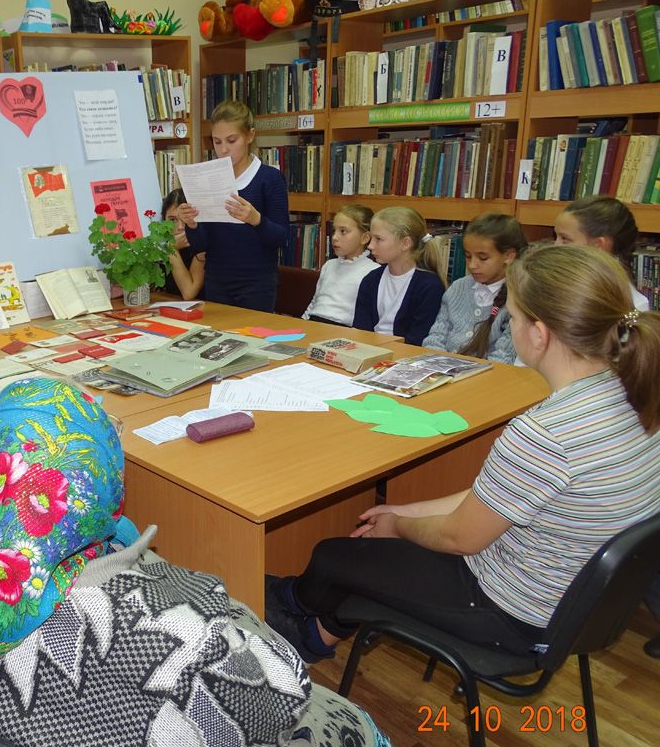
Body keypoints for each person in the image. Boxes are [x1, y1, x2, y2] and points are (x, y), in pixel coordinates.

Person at [0, 377, 400, 747]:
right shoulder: (161, 631)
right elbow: (281, 701)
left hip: (17, 735)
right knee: (346, 725)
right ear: (98, 488)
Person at [266, 246, 660, 664]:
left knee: (334, 554)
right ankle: (314, 630)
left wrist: (398, 525)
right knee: (364, 554)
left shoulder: (545, 434)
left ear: (539, 334)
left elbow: (459, 538)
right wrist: (409, 511)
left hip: (510, 612)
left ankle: (295, 614)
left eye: (514, 317)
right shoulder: (636, 395)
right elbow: (497, 498)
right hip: (575, 598)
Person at [176, 100, 289, 312]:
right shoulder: (208, 177)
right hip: (217, 281)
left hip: (257, 283)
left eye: (231, 140)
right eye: (217, 142)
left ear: (250, 136)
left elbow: (281, 237)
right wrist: (192, 224)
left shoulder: (269, 178)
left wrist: (256, 219)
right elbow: (201, 245)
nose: (224, 149)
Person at [424, 213, 528, 363]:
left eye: (483, 258)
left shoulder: (517, 299)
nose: (472, 265)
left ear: (509, 256)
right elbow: (435, 338)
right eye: (467, 256)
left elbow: (503, 358)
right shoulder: (458, 287)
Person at [352, 206, 445, 345]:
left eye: (378, 239)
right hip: (369, 352)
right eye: (371, 238)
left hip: (405, 359)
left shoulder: (429, 286)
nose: (370, 246)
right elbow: (361, 331)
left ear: (405, 243)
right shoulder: (370, 280)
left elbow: (418, 341)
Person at [554, 194, 650, 311]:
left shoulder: (633, 305)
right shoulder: (556, 285)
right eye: (556, 237)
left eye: (565, 239)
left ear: (598, 245)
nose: (555, 246)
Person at [302, 204, 376, 326]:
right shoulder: (329, 265)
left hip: (343, 330)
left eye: (343, 231)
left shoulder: (373, 272)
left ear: (365, 238)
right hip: (314, 324)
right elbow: (315, 302)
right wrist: (302, 322)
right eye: (333, 231)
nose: (335, 237)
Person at [160, 188, 206, 299]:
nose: (180, 227)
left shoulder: (201, 245)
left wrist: (171, 249)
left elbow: (188, 293)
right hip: (171, 306)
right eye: (172, 220)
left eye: (185, 219)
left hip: (206, 310)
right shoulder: (160, 244)